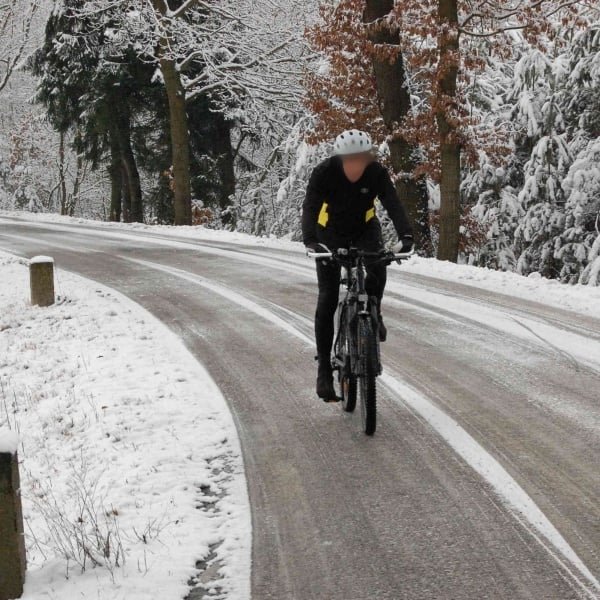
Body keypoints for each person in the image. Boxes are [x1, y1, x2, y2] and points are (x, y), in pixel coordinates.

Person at [302, 129, 414, 402]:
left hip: (365, 228)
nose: (354, 165)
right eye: (348, 159)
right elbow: (310, 208)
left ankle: (375, 309)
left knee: (378, 266)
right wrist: (312, 242)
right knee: (328, 297)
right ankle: (324, 371)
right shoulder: (324, 173)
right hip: (329, 232)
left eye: (360, 159)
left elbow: (393, 204)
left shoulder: (376, 173)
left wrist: (407, 236)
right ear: (339, 159)